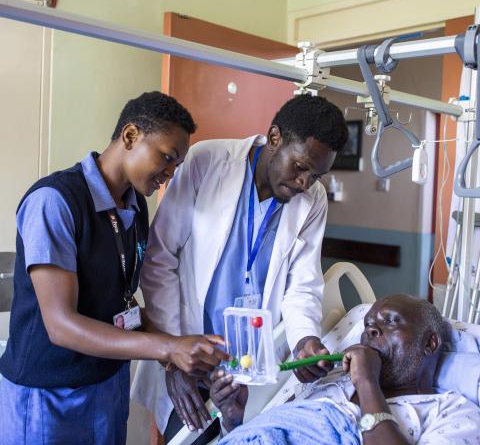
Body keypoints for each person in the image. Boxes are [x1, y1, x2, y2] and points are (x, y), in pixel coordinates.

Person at [0, 91, 229, 445]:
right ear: (130, 136)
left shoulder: (136, 206)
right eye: (166, 158)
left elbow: (121, 300)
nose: (168, 175)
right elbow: (61, 325)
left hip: (106, 384)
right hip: (49, 393)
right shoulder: (54, 201)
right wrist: (167, 349)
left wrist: (178, 349)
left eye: (175, 167)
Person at [134, 94, 349, 441]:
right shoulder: (208, 160)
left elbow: (303, 285)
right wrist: (172, 355)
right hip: (189, 353)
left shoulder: (314, 199)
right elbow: (160, 259)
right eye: (300, 167)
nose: (304, 183)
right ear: (275, 137)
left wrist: (304, 339)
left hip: (249, 372)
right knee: (184, 435)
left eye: (316, 175)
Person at [211, 294, 480, 444]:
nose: (371, 330)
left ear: (430, 343)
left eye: (391, 321)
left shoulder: (452, 411)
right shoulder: (331, 382)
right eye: (368, 325)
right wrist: (233, 420)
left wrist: (366, 382)